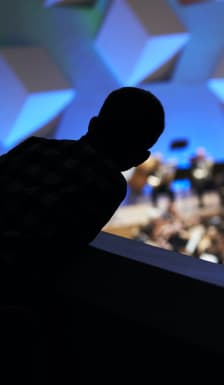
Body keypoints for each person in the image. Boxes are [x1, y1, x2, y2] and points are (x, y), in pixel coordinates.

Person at [0, 86, 165, 382]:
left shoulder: (34, 146)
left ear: (92, 124)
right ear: (141, 158)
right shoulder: (109, 184)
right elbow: (58, 251)